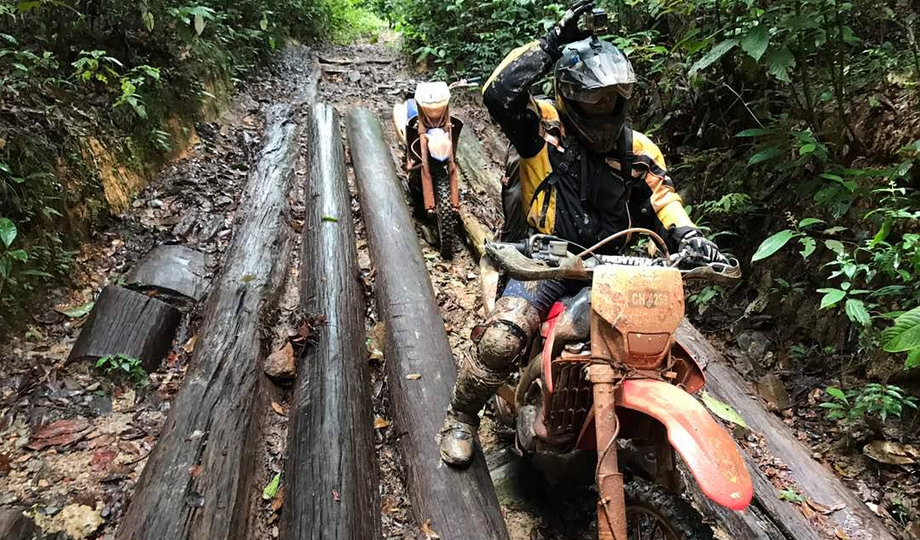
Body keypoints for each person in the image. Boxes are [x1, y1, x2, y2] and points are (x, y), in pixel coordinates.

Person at [437, 0, 730, 467]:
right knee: (501, 340)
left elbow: (664, 200)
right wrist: (550, 43)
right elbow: (499, 93)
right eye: (593, 98)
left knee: (658, 356)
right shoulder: (543, 127)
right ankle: (460, 417)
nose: (603, 107)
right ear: (570, 95)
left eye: (612, 98)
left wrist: (690, 237)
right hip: (545, 263)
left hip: (616, 273)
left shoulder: (639, 149)